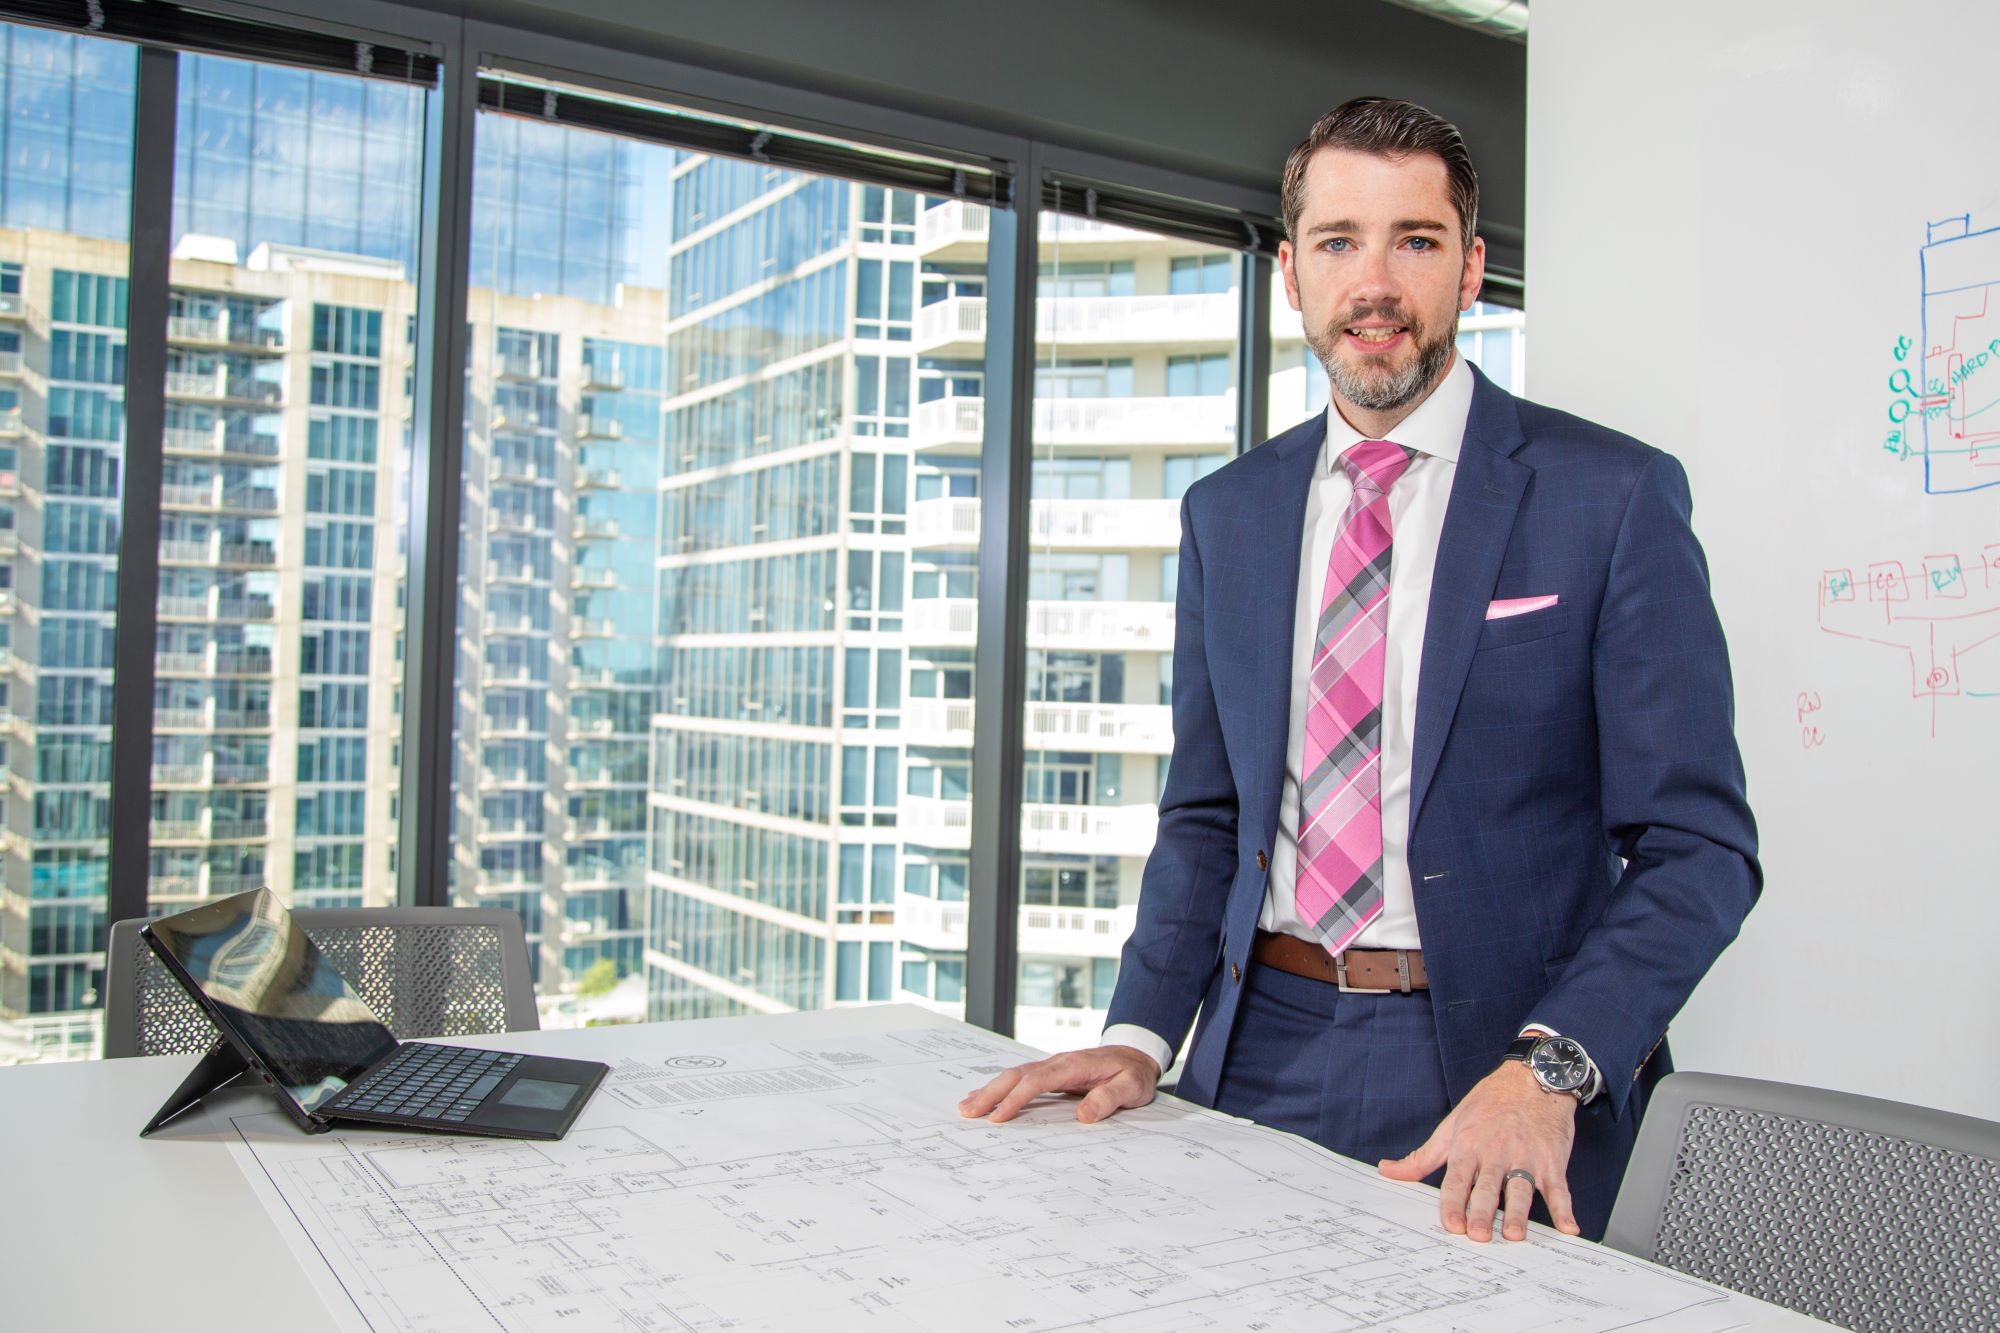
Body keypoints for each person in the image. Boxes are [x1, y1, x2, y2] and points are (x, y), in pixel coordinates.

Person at [960, 97, 1760, 1245]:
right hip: (1252, 1044)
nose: (1372, 282)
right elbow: (1204, 815)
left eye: (1414, 241)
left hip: (1493, 1064)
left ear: (1470, 267)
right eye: (1337, 241)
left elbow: (1699, 848)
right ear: (1291, 273)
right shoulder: (1226, 513)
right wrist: (1140, 1034)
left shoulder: (1609, 497)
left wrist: (1550, 1068)